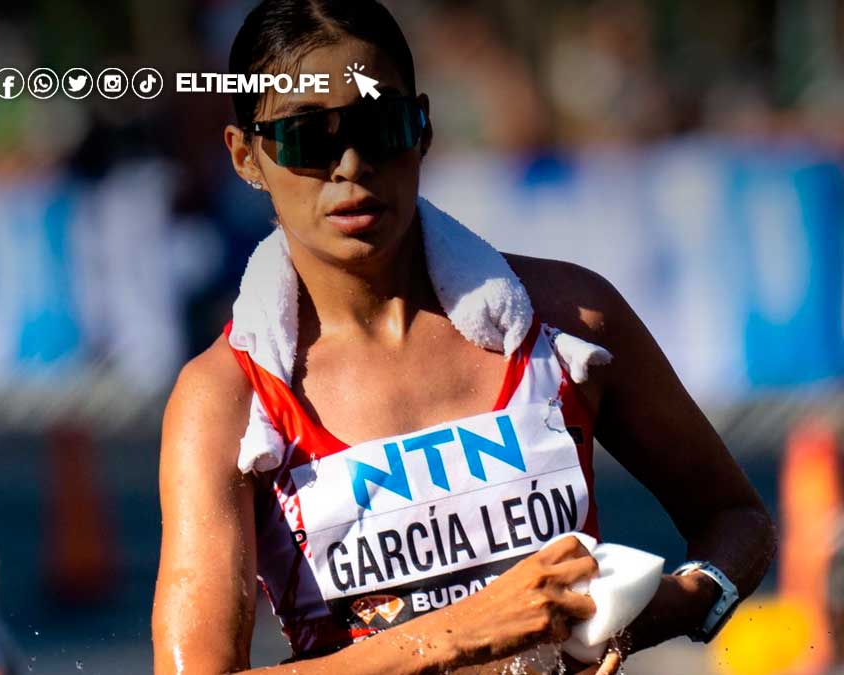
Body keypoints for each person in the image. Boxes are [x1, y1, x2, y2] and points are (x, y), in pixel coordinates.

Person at [152, 2, 776, 674]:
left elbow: (736, 516)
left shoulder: (570, 319)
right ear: (247, 156)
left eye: (380, 125)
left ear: (421, 127)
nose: (352, 165)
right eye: (308, 138)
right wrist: (462, 632)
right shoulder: (228, 397)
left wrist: (674, 605)